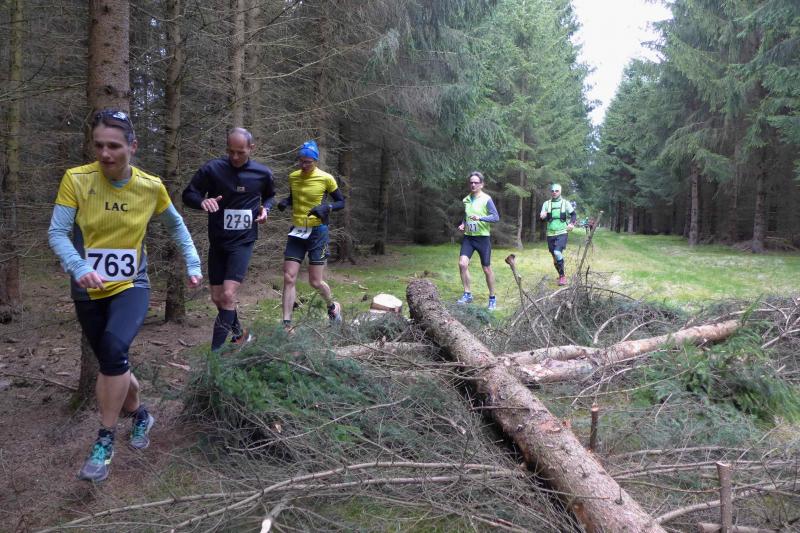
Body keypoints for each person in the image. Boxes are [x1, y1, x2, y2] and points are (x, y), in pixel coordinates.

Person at [48, 109, 202, 482]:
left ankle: (104, 439)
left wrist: (193, 263)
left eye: (114, 146)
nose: (105, 154)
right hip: (87, 287)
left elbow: (177, 226)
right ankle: (141, 415)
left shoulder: (150, 186)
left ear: (133, 146)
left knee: (114, 350)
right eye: (99, 145)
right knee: (112, 361)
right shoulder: (76, 179)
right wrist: (79, 267)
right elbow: (57, 232)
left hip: (132, 285)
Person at [182, 128, 274, 350]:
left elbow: (270, 195)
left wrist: (266, 209)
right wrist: (202, 202)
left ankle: (214, 357)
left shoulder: (262, 173)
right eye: (230, 151)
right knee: (217, 297)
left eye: (240, 152)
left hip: (243, 241)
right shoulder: (212, 169)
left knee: (228, 294)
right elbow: (188, 194)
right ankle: (240, 335)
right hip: (218, 241)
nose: (235, 156)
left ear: (251, 148)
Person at [276, 140, 345, 330]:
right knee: (289, 277)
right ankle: (286, 324)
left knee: (315, 281)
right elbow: (295, 197)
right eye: (301, 161)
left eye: (308, 162)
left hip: (317, 232)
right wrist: (286, 202)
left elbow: (341, 202)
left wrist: (326, 207)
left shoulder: (326, 178)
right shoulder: (293, 177)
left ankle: (333, 307)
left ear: (315, 161)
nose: (304, 165)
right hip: (297, 232)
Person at [456, 171, 500, 310]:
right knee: (462, 264)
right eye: (471, 182)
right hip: (469, 237)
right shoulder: (466, 199)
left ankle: (492, 298)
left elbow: (495, 217)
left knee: (486, 269)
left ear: (482, 184)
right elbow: (467, 215)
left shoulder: (486, 199)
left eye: (476, 182)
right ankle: (467, 294)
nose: (473, 185)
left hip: (482, 238)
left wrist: (480, 218)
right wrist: (463, 223)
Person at [539, 183, 576, 286]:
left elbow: (573, 214)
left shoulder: (565, 203)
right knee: (554, 257)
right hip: (550, 233)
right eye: (552, 191)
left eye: (556, 191)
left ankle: (562, 277)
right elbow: (542, 219)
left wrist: (571, 224)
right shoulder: (546, 204)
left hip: (562, 232)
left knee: (557, 252)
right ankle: (560, 275)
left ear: (560, 191)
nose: (554, 192)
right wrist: (542, 217)